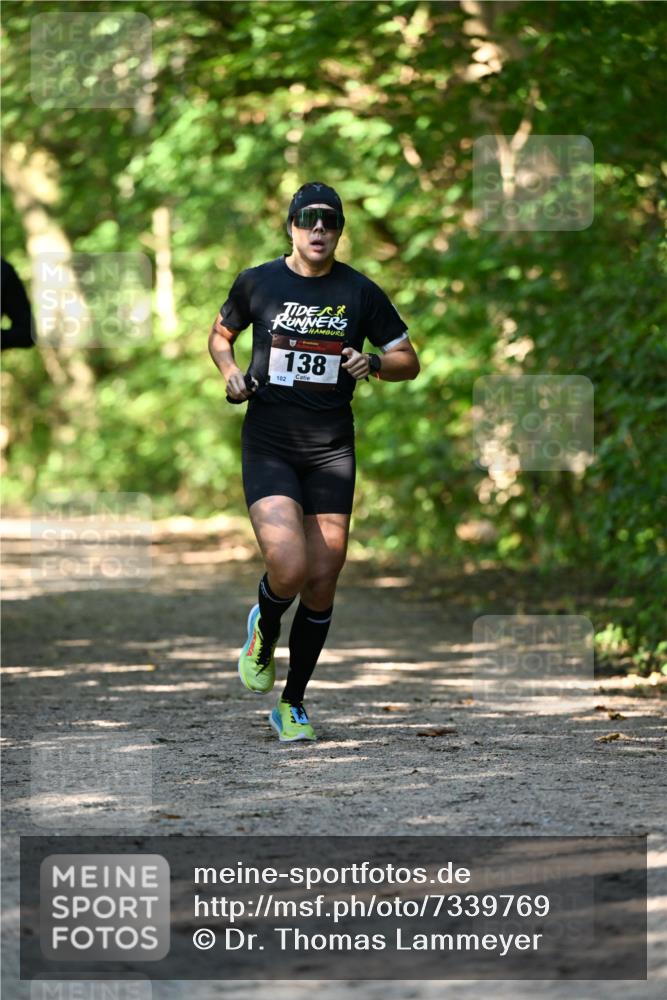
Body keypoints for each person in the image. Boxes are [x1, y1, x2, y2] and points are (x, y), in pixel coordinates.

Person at [208, 182, 419, 742]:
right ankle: (264, 625)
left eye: (329, 221)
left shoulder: (359, 291)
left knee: (323, 578)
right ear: (292, 227)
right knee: (289, 566)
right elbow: (221, 335)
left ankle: (292, 703)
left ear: (340, 230)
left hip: (331, 450)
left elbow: (408, 359)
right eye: (308, 220)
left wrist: (373, 364)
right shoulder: (258, 282)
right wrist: (231, 374)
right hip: (270, 443)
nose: (318, 229)